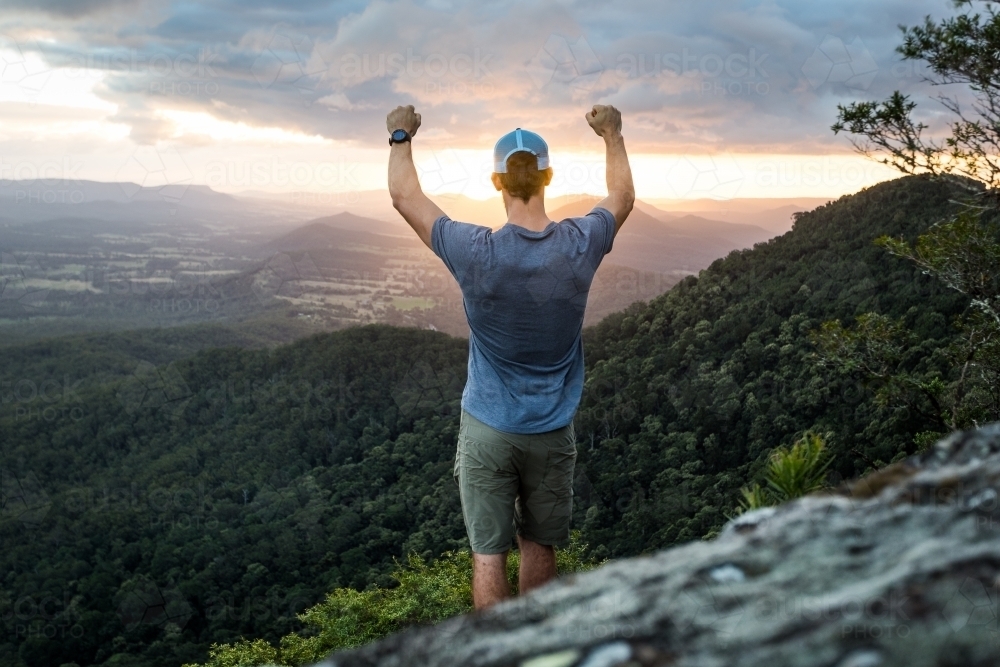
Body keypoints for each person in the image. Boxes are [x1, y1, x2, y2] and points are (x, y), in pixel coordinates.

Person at [386, 103, 634, 609]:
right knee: (539, 545)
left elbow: (404, 196)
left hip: (488, 430)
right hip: (550, 430)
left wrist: (400, 135)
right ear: (547, 175)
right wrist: (611, 134)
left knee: (488, 556)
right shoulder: (580, 243)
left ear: (497, 181)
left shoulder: (475, 251)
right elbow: (623, 196)